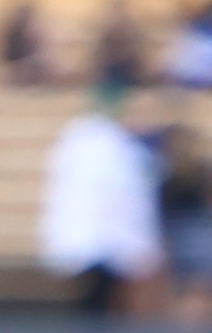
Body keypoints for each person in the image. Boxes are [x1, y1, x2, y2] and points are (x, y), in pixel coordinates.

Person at [39, 88, 160, 317]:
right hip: (101, 225)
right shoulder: (95, 141)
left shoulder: (107, 141)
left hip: (106, 226)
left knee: (106, 287)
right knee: (96, 288)